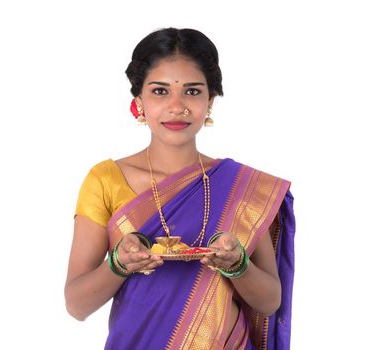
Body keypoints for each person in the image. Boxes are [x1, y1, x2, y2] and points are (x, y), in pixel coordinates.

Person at [64, 27, 296, 350]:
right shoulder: (106, 180)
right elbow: (76, 304)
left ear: (210, 100)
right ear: (139, 101)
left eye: (192, 91)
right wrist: (118, 265)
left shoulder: (240, 187)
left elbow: (270, 300)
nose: (177, 106)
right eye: (160, 91)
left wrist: (237, 265)